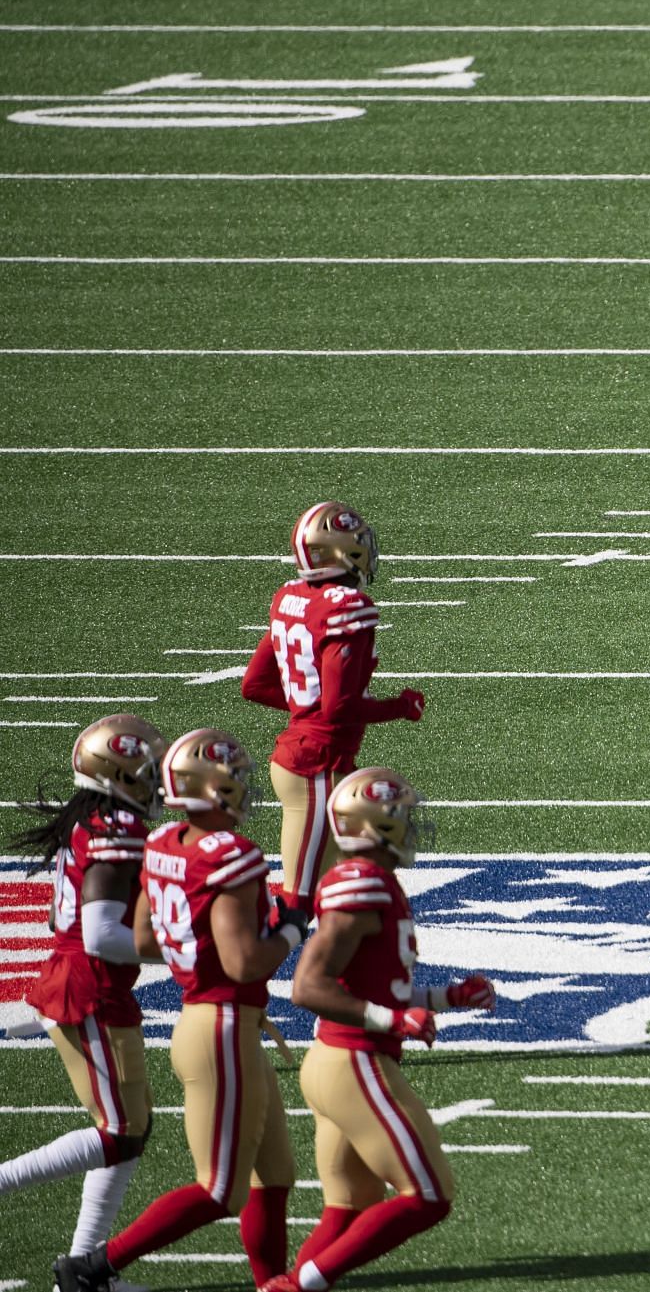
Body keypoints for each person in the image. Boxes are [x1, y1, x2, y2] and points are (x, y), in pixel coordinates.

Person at [55, 729, 311, 1292]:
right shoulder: (232, 855)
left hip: (213, 1019)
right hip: (221, 1024)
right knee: (221, 1189)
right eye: (233, 779)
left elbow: (146, 938)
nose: (243, 787)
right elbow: (246, 963)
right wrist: (291, 927)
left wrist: (200, 945)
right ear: (208, 789)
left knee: (276, 1175)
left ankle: (272, 1282)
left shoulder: (165, 841)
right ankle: (91, 1268)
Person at [261, 768, 493, 1292]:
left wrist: (446, 998)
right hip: (353, 1061)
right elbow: (308, 986)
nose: (412, 827)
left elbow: (374, 986)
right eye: (403, 817)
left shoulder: (377, 882)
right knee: (429, 1194)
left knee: (348, 1211)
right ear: (377, 826)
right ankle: (298, 1286)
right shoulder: (362, 883)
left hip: (341, 1059)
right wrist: (394, 1020)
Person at [1, 717, 165, 1290]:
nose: (157, 785)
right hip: (87, 985)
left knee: (131, 1128)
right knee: (121, 1131)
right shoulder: (114, 825)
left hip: (95, 981)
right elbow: (97, 934)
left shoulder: (92, 817)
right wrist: (181, 950)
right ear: (116, 776)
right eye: (145, 774)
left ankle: (84, 1270)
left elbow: (58, 917)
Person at [242, 503, 423, 910]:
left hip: (313, 759)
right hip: (315, 767)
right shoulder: (345, 608)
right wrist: (400, 707)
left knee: (348, 889)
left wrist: (305, 712)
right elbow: (339, 707)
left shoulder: (290, 598)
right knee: (299, 904)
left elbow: (253, 685)